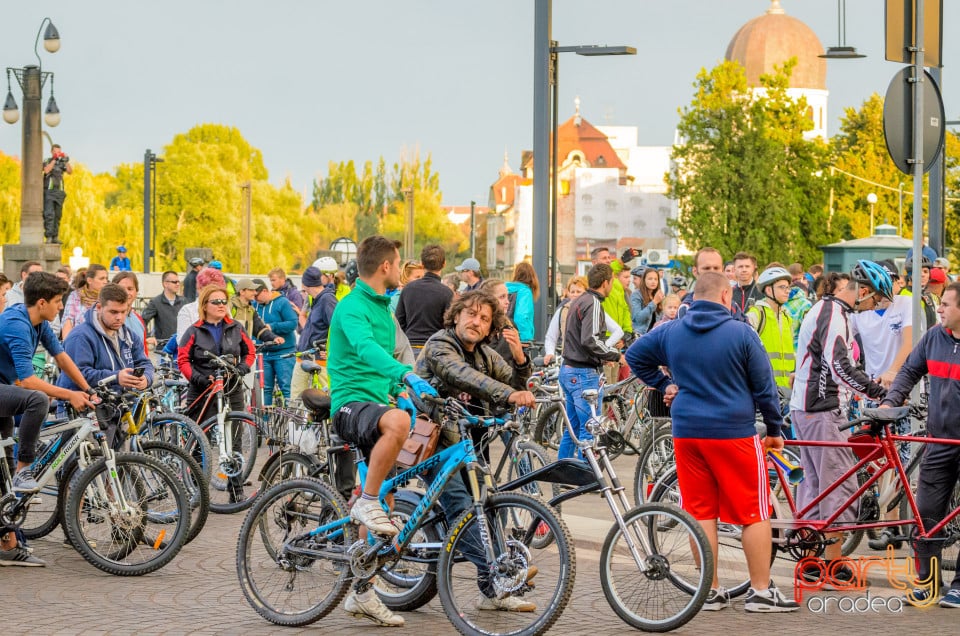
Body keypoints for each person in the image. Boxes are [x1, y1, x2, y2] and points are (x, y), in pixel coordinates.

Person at [626, 271, 799, 613]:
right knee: (753, 511)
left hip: (687, 432)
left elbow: (634, 356)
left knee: (700, 511)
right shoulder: (742, 333)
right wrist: (776, 430)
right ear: (725, 297)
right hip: (733, 431)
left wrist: (663, 385)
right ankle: (761, 592)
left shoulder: (672, 330)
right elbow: (765, 389)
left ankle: (710, 590)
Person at [326, 235, 438, 627]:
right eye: (398, 262)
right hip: (349, 405)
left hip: (375, 403)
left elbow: (385, 361)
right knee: (398, 425)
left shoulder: (384, 309)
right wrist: (405, 374)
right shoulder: (352, 306)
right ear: (387, 266)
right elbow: (365, 352)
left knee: (384, 511)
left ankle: (360, 591)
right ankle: (366, 498)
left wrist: (403, 390)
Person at [415, 289, 537, 612]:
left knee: (489, 505)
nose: (477, 322)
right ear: (456, 315)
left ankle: (493, 589)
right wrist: (509, 395)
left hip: (467, 444)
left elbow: (514, 384)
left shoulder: (485, 354)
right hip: (433, 440)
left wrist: (522, 361)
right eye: (471, 314)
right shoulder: (440, 345)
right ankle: (498, 578)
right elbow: (462, 376)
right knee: (462, 506)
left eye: (484, 319)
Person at [790, 262, 891, 583]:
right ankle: (833, 565)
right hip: (821, 409)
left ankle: (808, 561)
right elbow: (839, 366)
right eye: (875, 300)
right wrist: (879, 392)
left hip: (808, 408)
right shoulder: (833, 315)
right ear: (862, 292)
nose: (873, 307)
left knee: (816, 485)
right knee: (838, 486)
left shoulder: (827, 310)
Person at [881, 281, 960, 607]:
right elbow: (909, 371)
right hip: (938, 440)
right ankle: (929, 583)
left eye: (946, 304)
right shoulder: (933, 338)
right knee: (926, 513)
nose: (939, 309)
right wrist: (890, 402)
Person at [0, 272, 94, 494]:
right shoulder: (18, 326)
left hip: (5, 388)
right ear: (42, 303)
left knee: (5, 481)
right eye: (57, 301)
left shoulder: (38, 321)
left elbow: (61, 356)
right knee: (38, 399)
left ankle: (11, 525)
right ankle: (25, 471)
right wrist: (69, 394)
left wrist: (88, 389)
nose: (61, 307)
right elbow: (28, 381)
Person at [178, 285, 255, 501]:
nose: (222, 306)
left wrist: (242, 368)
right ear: (204, 305)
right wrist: (197, 378)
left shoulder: (235, 327)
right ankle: (196, 490)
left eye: (224, 301)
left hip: (231, 387)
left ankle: (236, 490)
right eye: (216, 302)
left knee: (235, 440)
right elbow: (182, 359)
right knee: (198, 439)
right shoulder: (194, 330)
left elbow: (250, 352)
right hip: (203, 388)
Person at [57, 283, 153, 445]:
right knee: (86, 467)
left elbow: (145, 362)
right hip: (81, 410)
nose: (119, 317)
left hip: (115, 408)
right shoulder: (80, 336)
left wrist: (146, 379)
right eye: (113, 312)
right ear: (100, 307)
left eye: (124, 312)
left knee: (117, 465)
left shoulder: (128, 335)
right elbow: (78, 373)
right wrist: (116, 377)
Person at [557, 264, 624, 460]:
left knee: (573, 429)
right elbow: (590, 339)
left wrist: (602, 355)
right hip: (583, 374)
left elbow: (581, 339)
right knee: (589, 431)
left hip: (569, 370)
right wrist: (615, 355)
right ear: (606, 283)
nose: (612, 285)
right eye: (612, 281)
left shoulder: (579, 301)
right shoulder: (593, 303)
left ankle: (562, 474)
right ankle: (587, 477)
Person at [543, 275, 623, 365]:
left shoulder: (592, 308)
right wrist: (550, 353)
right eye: (572, 292)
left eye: (579, 291)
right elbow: (551, 337)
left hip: (589, 363)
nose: (575, 294)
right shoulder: (562, 311)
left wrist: (605, 348)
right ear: (568, 293)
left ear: (586, 292)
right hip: (567, 362)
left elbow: (618, 331)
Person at [395, 244, 454, 351]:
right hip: (436, 348)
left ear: (422, 264)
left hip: (410, 347)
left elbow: (399, 321)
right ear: (444, 264)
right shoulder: (447, 293)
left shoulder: (408, 289)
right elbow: (450, 326)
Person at [291, 266, 337, 399]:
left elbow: (338, 329)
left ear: (305, 284)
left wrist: (330, 349)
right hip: (304, 358)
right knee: (296, 401)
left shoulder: (327, 300)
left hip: (319, 361)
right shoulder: (317, 300)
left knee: (325, 400)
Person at [745, 266, 795, 389]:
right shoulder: (756, 315)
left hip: (788, 389)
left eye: (788, 287)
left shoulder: (787, 316)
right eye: (782, 287)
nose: (787, 291)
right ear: (768, 290)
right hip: (765, 388)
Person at [253, 278, 298, 404]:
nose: (255, 299)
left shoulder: (282, 302)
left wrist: (272, 327)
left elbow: (293, 323)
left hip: (283, 353)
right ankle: (265, 421)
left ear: (265, 291)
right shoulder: (254, 305)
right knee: (265, 389)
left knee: (287, 387)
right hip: (263, 354)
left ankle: (291, 421)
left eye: (257, 295)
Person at [479, 278, 533, 380]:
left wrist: (521, 358)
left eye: (507, 297)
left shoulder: (510, 326)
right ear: (488, 299)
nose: (507, 302)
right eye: (502, 297)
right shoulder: (477, 327)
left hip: (508, 387)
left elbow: (521, 371)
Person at [61, 264, 109, 340]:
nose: (105, 281)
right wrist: (67, 343)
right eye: (101, 279)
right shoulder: (75, 296)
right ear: (89, 280)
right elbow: (68, 320)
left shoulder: (108, 297)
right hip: (78, 340)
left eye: (106, 278)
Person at [229, 278, 279, 344]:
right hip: (230, 352)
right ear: (242, 292)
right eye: (251, 290)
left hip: (245, 351)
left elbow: (260, 329)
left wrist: (274, 338)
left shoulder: (251, 309)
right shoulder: (230, 306)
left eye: (255, 290)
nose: (255, 293)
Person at [141, 270, 186, 343]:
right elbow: (142, 320)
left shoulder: (183, 302)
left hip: (181, 347)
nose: (178, 284)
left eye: (178, 282)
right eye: (174, 282)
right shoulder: (155, 302)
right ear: (165, 284)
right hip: (162, 349)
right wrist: (148, 337)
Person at [111, 271, 149, 354]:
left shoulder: (139, 319)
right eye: (121, 288)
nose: (126, 292)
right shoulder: (108, 318)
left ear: (136, 292)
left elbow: (144, 352)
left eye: (130, 289)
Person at [42, 144, 72, 244]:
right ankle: (49, 236)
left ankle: (55, 236)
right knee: (49, 214)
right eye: (55, 152)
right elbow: (46, 170)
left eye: (59, 152)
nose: (57, 153)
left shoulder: (61, 163)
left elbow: (70, 171)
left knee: (58, 215)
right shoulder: (47, 160)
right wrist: (54, 160)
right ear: (52, 152)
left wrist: (66, 161)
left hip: (59, 191)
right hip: (49, 191)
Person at [505, 261, 540, 344]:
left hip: (504, 336)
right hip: (516, 339)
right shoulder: (525, 292)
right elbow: (522, 317)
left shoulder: (506, 289)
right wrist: (525, 339)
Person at [629, 267, 664, 336]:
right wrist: (654, 302)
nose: (653, 281)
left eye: (656, 279)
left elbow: (661, 318)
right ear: (644, 280)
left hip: (655, 335)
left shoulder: (658, 295)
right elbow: (638, 318)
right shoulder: (636, 295)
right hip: (640, 335)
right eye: (650, 279)